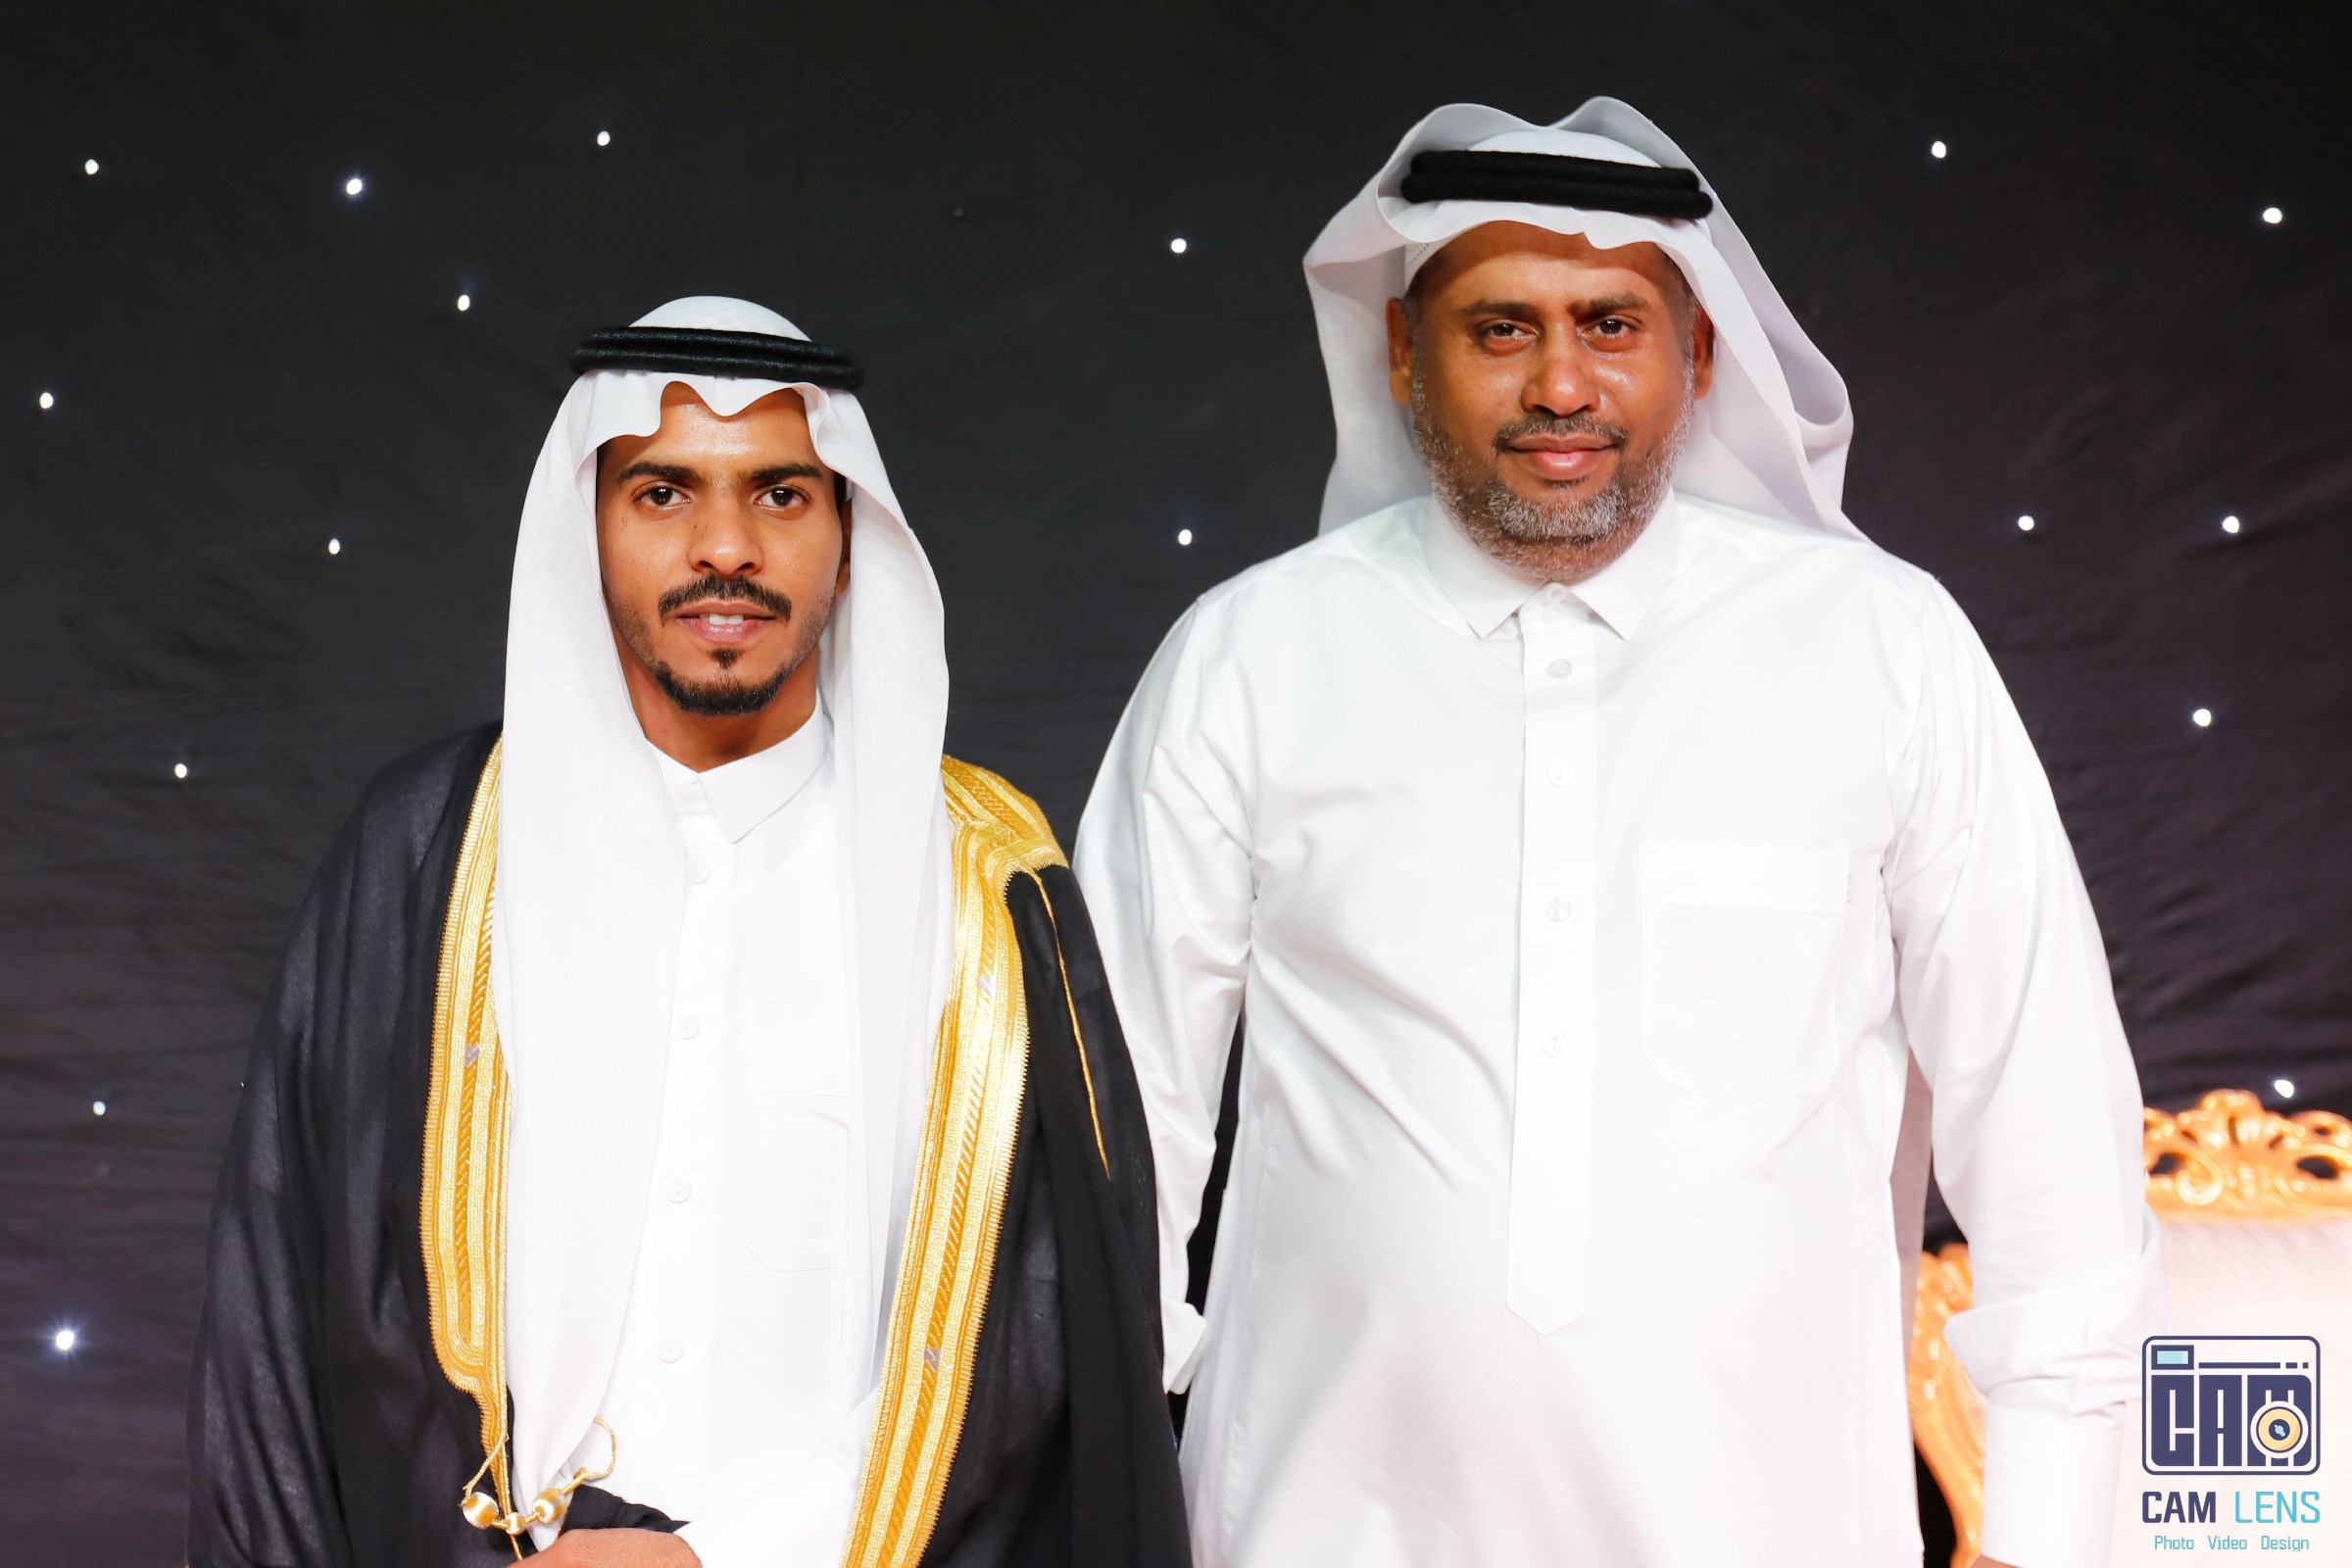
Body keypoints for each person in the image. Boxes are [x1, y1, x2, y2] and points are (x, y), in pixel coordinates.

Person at [1074, 101, 2163, 1568]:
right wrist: (1100, 1496)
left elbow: (2044, 1110)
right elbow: (1115, 1124)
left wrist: (2049, 1532)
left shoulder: (1882, 648)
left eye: (1611, 324)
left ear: (1698, 354)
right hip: (1317, 1524)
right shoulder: (1250, 657)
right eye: (1501, 329)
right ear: (1402, 353)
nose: (1562, 384)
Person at [189, 297, 1187, 1568]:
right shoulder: (425, 851)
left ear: (849, 537)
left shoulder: (984, 887)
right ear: (589, 529)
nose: (726, 548)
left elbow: (1044, 1335)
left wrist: (729, 1554)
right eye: (663, 494)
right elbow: (279, 1325)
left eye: (781, 495)